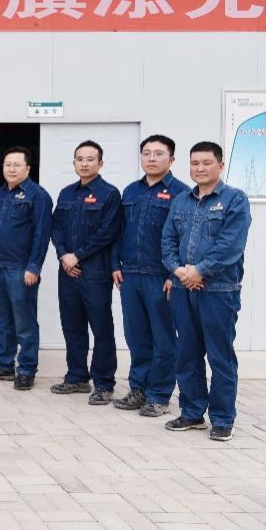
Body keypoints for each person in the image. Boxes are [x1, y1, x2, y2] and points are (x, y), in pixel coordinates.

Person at [161, 141, 252, 442]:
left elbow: (230, 245)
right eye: (195, 163)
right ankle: (192, 412)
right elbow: (167, 241)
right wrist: (180, 272)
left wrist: (199, 270)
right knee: (186, 354)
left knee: (219, 356)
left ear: (220, 165)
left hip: (219, 291)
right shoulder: (181, 201)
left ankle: (223, 419)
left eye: (206, 163)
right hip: (183, 288)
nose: (200, 168)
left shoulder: (234, 200)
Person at [112, 135, 183, 417]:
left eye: (159, 153)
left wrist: (174, 275)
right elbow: (118, 231)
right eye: (146, 153)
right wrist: (114, 264)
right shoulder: (131, 191)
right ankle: (138, 388)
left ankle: (159, 395)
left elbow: (184, 238)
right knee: (136, 336)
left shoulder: (181, 193)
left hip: (160, 276)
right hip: (130, 274)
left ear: (171, 159)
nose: (151, 158)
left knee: (163, 338)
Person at [49, 141, 123, 405]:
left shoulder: (109, 194)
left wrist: (77, 255)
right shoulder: (66, 193)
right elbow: (55, 227)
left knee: (101, 328)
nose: (84, 163)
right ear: (74, 163)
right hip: (68, 272)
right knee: (72, 326)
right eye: (79, 159)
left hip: (95, 272)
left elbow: (107, 232)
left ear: (100, 163)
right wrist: (63, 255)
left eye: (90, 159)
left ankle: (103, 383)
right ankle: (77, 377)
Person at [0, 146, 53, 390]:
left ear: (27, 168)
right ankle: (3, 364)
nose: (11, 169)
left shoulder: (38, 196)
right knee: (0, 320)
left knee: (24, 323)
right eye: (7, 164)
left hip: (20, 269)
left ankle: (27, 369)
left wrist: (34, 267)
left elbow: (42, 234)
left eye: (17, 164)